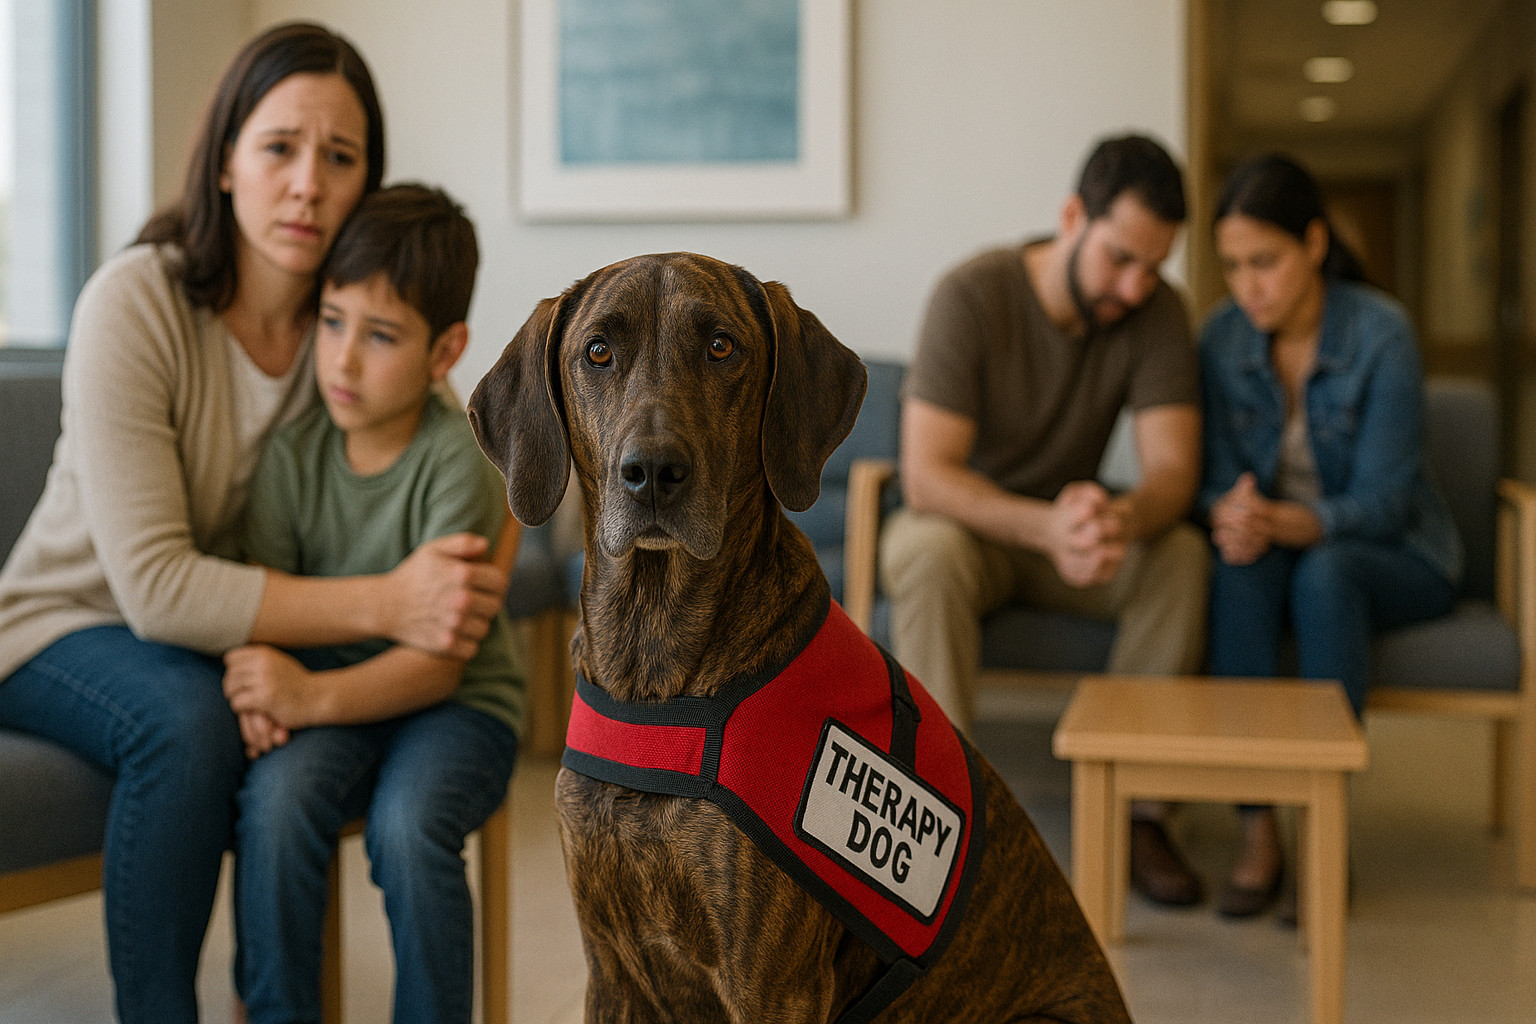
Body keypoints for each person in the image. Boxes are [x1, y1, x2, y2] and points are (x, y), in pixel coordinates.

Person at [0, 24, 508, 1024]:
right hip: (65, 624)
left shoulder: (344, 327)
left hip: (214, 637)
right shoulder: (133, 303)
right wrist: (392, 603)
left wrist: (477, 561)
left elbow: (443, 445)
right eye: (280, 147)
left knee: (234, 726)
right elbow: (158, 590)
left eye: (340, 157)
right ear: (226, 157)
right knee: (190, 723)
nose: (307, 185)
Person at [880, 133, 1211, 908]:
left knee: (1181, 556)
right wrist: (1047, 527)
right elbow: (927, 476)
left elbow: (1173, 472)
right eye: (1120, 259)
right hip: (972, 529)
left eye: (1153, 267)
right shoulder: (972, 294)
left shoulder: (1158, 312)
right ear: (1071, 218)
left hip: (1074, 538)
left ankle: (1140, 812)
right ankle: (940, 818)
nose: (1135, 287)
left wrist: (1117, 519)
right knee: (926, 553)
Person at [223, 183, 525, 1024]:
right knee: (275, 808)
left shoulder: (455, 460)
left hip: (458, 707)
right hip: (332, 706)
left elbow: (438, 668)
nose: (344, 360)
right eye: (332, 322)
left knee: (408, 823)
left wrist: (302, 696)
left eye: (381, 335)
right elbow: (265, 607)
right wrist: (265, 686)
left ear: (445, 350)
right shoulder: (290, 458)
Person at [1199, 152, 1461, 919]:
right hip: (1273, 548)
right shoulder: (1219, 339)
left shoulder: (1382, 334)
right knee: (1237, 570)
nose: (1248, 286)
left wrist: (1282, 521)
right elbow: (1210, 478)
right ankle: (1257, 830)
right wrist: (1231, 513)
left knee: (1327, 574)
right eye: (1232, 266)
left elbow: (1387, 502)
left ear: (1314, 244)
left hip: (1397, 553)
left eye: (1265, 262)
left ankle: (1324, 829)